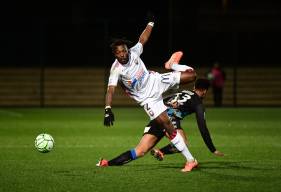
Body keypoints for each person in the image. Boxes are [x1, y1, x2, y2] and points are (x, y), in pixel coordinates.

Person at [101, 19, 198, 172]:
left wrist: (151, 22)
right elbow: (110, 90)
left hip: (156, 80)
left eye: (124, 50)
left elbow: (143, 39)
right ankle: (191, 160)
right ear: (115, 54)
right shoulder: (116, 69)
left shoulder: (133, 52)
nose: (123, 54)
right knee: (167, 125)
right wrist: (108, 108)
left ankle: (171, 65)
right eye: (119, 52)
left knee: (192, 75)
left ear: (127, 49)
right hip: (148, 99)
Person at [97, 78, 224, 171]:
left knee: (139, 151)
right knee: (182, 143)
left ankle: (107, 163)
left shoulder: (184, 92)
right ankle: (189, 161)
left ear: (194, 87)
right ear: (205, 91)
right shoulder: (199, 103)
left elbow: (165, 100)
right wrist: (212, 149)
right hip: (169, 119)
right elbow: (203, 127)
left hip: (157, 116)